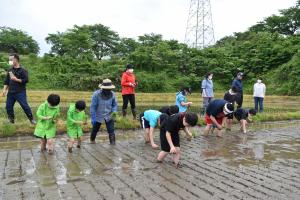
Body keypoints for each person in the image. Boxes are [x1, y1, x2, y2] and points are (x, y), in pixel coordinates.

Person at [2, 53, 36, 124]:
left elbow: (26, 80)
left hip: (20, 92)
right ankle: (11, 120)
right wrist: (4, 90)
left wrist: (16, 79)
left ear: (16, 59)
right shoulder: (10, 70)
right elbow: (6, 81)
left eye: (11, 59)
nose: (10, 61)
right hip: (11, 92)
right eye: (9, 60)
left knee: (24, 106)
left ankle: (32, 119)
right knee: (8, 107)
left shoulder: (23, 70)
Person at [90, 79, 118, 145]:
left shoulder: (113, 94)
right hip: (98, 115)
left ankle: (112, 143)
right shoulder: (96, 94)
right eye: (106, 89)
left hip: (109, 114)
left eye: (109, 89)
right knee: (95, 129)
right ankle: (92, 140)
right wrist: (93, 117)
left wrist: (114, 111)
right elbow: (93, 107)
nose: (108, 90)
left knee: (111, 130)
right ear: (102, 88)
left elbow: (115, 104)